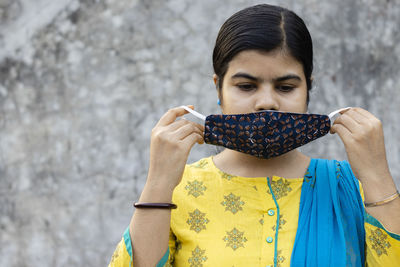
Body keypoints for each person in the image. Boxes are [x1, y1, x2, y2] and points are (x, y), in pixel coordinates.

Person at [109, 4, 400, 266]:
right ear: (218, 89)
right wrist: (158, 181)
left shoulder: (350, 189)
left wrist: (376, 174)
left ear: (308, 90)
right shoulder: (178, 191)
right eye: (246, 86)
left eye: (286, 87)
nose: (266, 102)